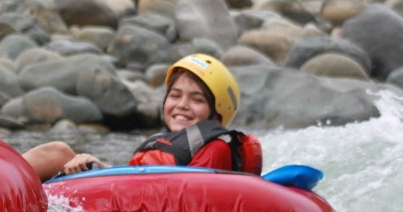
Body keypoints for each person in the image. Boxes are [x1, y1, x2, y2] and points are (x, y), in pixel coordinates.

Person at [23, 53, 262, 180]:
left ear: (217, 118)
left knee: (59, 153)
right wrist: (99, 167)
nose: (182, 105)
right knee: (58, 152)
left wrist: (99, 167)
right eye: (175, 95)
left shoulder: (216, 148)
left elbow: (186, 193)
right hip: (130, 195)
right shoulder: (168, 142)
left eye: (197, 100)